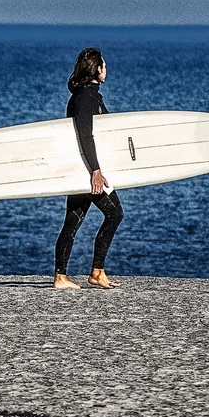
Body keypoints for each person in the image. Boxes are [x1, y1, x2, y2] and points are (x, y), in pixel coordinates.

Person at [52, 47, 123, 290]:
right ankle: (96, 271)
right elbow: (85, 135)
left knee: (72, 222)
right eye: (104, 65)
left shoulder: (89, 96)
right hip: (87, 171)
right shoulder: (84, 99)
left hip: (81, 169)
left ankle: (62, 276)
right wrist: (95, 170)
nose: (107, 69)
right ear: (97, 70)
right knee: (115, 214)